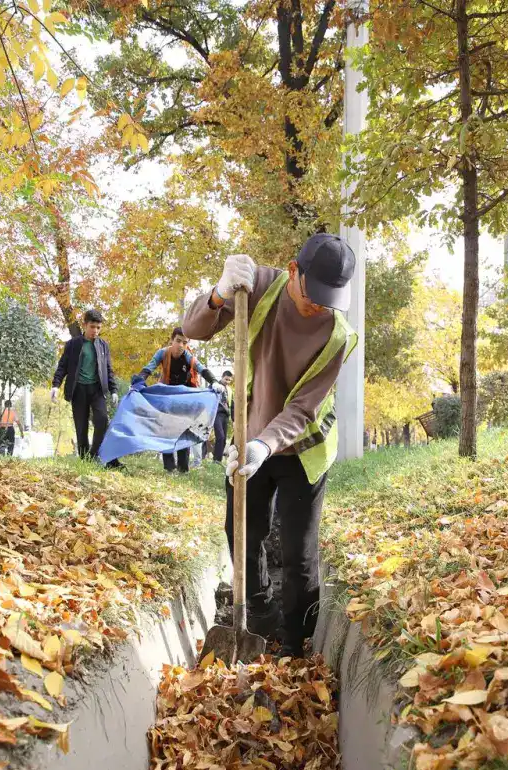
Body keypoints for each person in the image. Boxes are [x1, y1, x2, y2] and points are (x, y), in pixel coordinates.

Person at [183, 232, 357, 658]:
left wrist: (266, 444)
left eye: (328, 298)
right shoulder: (257, 286)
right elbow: (192, 330)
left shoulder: (339, 335)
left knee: (299, 554)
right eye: (313, 294)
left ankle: (297, 644)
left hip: (303, 448)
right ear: (293, 272)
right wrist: (218, 295)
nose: (318, 305)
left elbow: (303, 409)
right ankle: (259, 618)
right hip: (249, 436)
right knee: (243, 530)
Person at [133, 327, 223, 474]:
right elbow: (148, 368)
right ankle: (169, 468)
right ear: (172, 340)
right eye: (178, 341)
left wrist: (213, 381)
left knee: (184, 431)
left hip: (185, 398)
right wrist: (138, 382)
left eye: (184, 342)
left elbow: (201, 368)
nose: (181, 345)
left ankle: (183, 468)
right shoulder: (163, 353)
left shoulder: (188, 356)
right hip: (167, 396)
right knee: (165, 430)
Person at [50, 308, 120, 463]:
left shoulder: (103, 346)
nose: (95, 331)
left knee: (102, 420)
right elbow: (63, 366)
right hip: (78, 390)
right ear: (85, 325)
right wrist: (55, 385)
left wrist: (113, 389)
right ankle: (85, 461)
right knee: (81, 427)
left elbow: (108, 369)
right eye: (92, 327)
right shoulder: (73, 345)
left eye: (98, 328)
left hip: (96, 389)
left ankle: (94, 454)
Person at [212, 370, 233, 463]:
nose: (227, 382)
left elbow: (232, 404)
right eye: (226, 379)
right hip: (216, 414)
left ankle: (218, 460)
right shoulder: (215, 385)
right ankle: (215, 460)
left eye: (229, 380)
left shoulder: (229, 390)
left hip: (225, 416)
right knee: (220, 436)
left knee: (223, 439)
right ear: (222, 377)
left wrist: (234, 419)